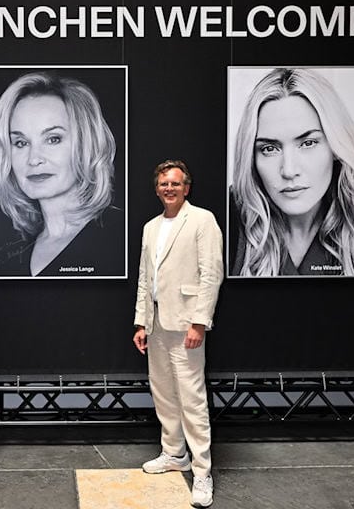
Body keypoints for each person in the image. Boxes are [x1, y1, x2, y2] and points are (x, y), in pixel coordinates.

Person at [133, 160, 222, 508]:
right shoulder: (150, 227)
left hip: (186, 324)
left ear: (187, 187)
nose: (169, 189)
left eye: (176, 183)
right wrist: (141, 322)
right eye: (164, 184)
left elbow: (211, 274)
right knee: (165, 394)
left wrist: (200, 321)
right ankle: (174, 453)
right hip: (156, 324)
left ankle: (202, 471)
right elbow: (145, 279)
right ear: (157, 189)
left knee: (192, 397)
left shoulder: (202, 220)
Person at [229, 68, 354, 277]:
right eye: (269, 148)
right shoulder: (227, 221)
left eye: (308, 143)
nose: (289, 170)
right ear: (252, 157)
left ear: (335, 146)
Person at [0, 71, 123, 277]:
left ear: (87, 144)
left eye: (53, 139)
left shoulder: (121, 236)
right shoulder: (9, 253)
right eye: (21, 143)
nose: (34, 158)